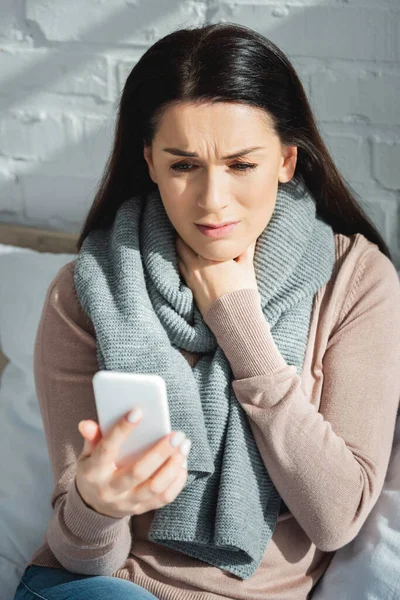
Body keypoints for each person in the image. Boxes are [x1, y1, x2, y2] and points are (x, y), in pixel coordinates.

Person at [13, 21, 400, 600]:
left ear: (288, 160)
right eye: (183, 165)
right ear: (149, 161)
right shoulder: (87, 291)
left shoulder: (357, 280)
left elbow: (337, 517)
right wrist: (96, 503)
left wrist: (238, 321)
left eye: (242, 165)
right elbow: (79, 555)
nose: (213, 200)